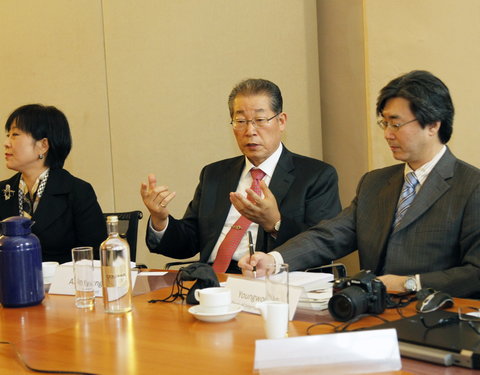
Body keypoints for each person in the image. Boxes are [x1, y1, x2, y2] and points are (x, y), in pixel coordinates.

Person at [239, 70, 480, 298]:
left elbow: (475, 272)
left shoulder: (471, 186)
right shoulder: (375, 183)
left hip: (438, 316)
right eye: (384, 123)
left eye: (396, 124)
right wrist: (275, 260)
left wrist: (410, 283)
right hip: (371, 313)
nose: (387, 134)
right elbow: (330, 235)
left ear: (433, 125)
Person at [140, 78, 342, 274]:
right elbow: (188, 242)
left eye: (260, 120)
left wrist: (275, 223)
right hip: (210, 281)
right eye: (240, 121)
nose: (250, 131)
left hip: (271, 282)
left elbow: (322, 244)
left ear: (281, 121)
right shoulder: (215, 174)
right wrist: (160, 220)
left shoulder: (316, 175)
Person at [0, 104, 107, 263]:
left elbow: (96, 255)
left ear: (43, 145)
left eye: (15, 134)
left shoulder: (77, 191)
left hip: (61, 285)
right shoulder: (3, 191)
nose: (6, 143)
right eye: (8, 135)